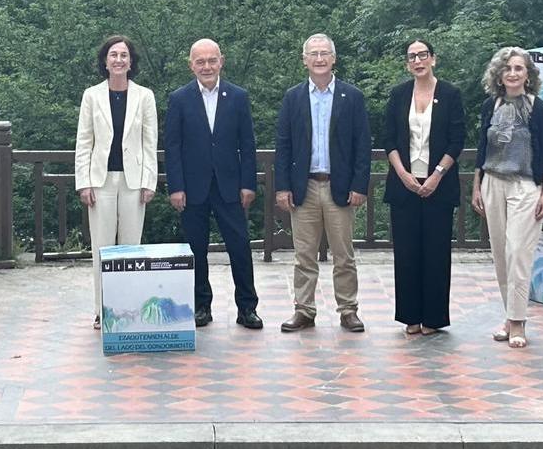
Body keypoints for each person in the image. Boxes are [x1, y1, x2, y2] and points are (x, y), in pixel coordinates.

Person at [274, 33, 372, 333]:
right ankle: (304, 310)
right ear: (304, 59)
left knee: (344, 255)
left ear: (333, 58)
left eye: (324, 53)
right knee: (304, 255)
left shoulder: (351, 96)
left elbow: (361, 145)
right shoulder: (293, 97)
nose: (319, 59)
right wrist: (282, 186)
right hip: (304, 187)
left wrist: (359, 185)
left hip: (339, 187)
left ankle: (348, 309)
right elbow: (284, 144)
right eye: (313, 54)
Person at [165, 38, 263, 330]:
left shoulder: (237, 96)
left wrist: (248, 183)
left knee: (240, 247)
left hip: (230, 186)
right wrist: (176, 187)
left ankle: (247, 308)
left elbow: (248, 144)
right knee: (195, 250)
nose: (206, 66)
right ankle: (201, 306)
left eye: (211, 60)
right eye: (200, 61)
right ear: (191, 65)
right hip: (192, 187)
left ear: (222, 61)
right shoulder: (179, 98)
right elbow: (172, 146)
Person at [471, 46, 543, 348]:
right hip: (493, 182)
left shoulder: (539, 108)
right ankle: (509, 316)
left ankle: (519, 322)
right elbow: (483, 149)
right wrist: (476, 185)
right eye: (507, 68)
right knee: (501, 256)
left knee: (519, 252)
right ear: (499, 74)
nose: (513, 73)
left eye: (519, 68)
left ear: (528, 74)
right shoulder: (489, 106)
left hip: (525, 186)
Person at [74, 35, 159, 331]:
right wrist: (83, 183)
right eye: (113, 55)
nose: (119, 60)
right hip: (100, 181)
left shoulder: (145, 96)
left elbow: (150, 142)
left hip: (134, 181)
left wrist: (150, 181)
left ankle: (128, 309)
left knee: (130, 248)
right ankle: (103, 310)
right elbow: (84, 142)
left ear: (131, 61)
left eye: (124, 55)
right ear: (105, 61)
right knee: (102, 247)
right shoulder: (91, 96)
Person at [382, 40, 465, 335]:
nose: (418, 61)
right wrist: (403, 173)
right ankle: (410, 317)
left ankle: (433, 318)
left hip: (438, 186)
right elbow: (389, 138)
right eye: (411, 57)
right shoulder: (399, 94)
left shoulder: (451, 94)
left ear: (433, 59)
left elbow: (457, 140)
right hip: (404, 184)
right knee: (406, 254)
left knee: (436, 253)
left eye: (422, 55)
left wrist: (437, 174)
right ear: (407, 63)